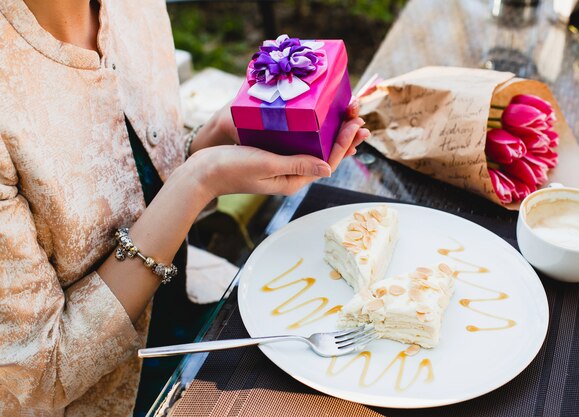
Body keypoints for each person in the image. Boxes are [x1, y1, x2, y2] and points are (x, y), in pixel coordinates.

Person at [0, 0, 369, 415]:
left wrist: (217, 136)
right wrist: (197, 180)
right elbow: (33, 381)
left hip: (200, 323)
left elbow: (143, 185)